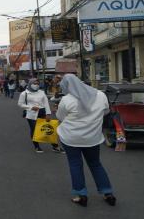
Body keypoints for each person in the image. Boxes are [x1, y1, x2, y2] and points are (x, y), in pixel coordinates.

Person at [56, 74, 116, 207]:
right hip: (92, 138)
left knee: (75, 165)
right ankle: (108, 193)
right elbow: (105, 111)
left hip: (71, 138)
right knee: (95, 164)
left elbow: (60, 117)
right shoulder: (100, 95)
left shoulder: (67, 99)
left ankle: (81, 195)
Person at [18, 79, 64, 153]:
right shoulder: (24, 93)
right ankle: (36, 146)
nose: (36, 85)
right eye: (34, 83)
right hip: (31, 114)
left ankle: (55, 146)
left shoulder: (41, 92)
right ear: (30, 84)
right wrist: (31, 107)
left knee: (48, 129)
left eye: (37, 83)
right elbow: (20, 104)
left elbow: (46, 103)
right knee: (34, 130)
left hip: (42, 112)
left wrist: (48, 114)